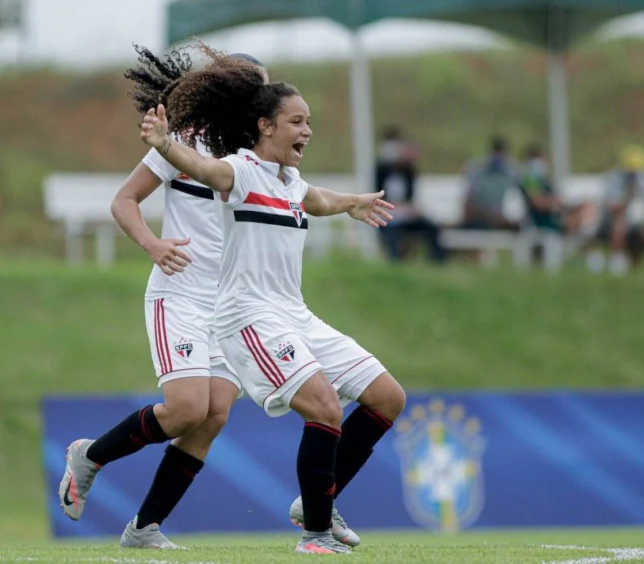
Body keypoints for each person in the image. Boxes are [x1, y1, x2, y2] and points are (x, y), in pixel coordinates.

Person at [135, 44, 407, 554]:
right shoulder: (237, 170)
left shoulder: (289, 181)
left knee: (389, 397)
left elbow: (317, 199)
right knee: (324, 407)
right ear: (264, 125)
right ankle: (315, 535)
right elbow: (204, 168)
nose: (306, 130)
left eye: (310, 122)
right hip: (249, 318)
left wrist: (352, 203)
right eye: (297, 121)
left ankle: (314, 504)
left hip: (294, 314)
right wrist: (165, 143)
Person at [57, 48, 273, 550]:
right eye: (257, 89)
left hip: (229, 305)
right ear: (231, 92)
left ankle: (144, 529)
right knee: (186, 409)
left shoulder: (259, 154)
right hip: (179, 294)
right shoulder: (183, 142)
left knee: (214, 413)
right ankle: (88, 457)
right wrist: (153, 245)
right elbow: (124, 200)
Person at [588, 145, 644, 276]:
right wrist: (629, 195)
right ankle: (617, 260)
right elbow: (614, 209)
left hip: (641, 219)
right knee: (619, 224)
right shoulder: (614, 179)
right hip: (616, 218)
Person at [375, 132, 445, 263]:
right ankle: (395, 261)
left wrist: (409, 210)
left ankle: (437, 262)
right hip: (386, 216)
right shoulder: (380, 171)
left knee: (432, 228)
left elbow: (410, 199)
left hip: (404, 215)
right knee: (393, 232)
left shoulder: (409, 172)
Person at [462, 136, 525, 230]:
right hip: (480, 216)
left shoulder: (512, 173)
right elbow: (469, 200)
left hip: (499, 217)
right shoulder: (478, 171)